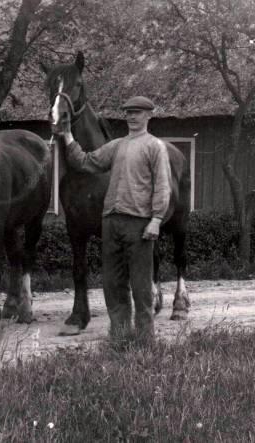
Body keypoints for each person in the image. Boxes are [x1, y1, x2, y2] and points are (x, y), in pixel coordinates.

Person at [54, 96, 170, 341]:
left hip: (138, 223)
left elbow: (162, 186)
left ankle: (144, 341)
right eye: (128, 112)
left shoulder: (154, 147)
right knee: (113, 285)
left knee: (140, 286)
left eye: (137, 112)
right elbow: (86, 161)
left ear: (149, 115)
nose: (131, 116)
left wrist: (157, 219)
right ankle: (119, 338)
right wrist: (67, 137)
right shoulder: (117, 145)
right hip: (111, 223)